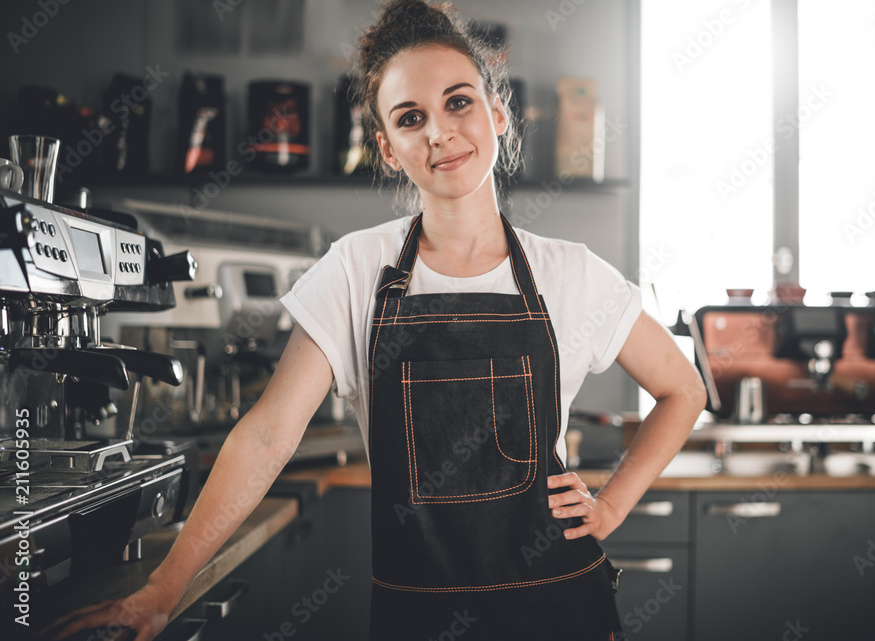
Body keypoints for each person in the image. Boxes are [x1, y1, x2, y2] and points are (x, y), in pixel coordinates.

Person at [47, 1, 705, 639]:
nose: (440, 132)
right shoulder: (356, 269)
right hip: (416, 616)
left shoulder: (569, 272)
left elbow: (684, 388)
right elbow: (270, 433)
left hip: (560, 610)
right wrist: (164, 590)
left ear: (497, 112)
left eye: (458, 101)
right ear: (388, 149)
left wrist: (612, 504)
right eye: (410, 117)